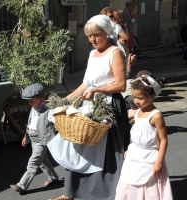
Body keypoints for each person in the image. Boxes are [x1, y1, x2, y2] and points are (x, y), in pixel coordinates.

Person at [48, 14, 130, 200]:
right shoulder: (92, 54)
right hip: (89, 106)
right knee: (78, 149)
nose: (93, 39)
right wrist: (66, 100)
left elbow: (121, 85)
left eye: (97, 34)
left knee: (108, 154)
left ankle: (110, 195)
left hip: (109, 108)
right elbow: (86, 84)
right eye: (89, 35)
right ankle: (72, 193)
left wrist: (97, 89)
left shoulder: (115, 52)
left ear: (106, 32)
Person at [115, 71, 173, 200]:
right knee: (128, 184)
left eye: (140, 98)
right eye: (134, 97)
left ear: (152, 96)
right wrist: (129, 149)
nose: (136, 101)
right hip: (133, 157)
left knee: (148, 188)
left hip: (150, 159)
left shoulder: (155, 116)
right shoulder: (137, 112)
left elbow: (163, 140)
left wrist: (158, 161)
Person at [10, 83, 59, 194]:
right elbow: (30, 124)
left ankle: (21, 185)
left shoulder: (48, 111)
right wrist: (26, 137)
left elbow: (57, 121)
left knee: (33, 163)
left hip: (42, 141)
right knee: (43, 161)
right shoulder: (33, 108)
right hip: (33, 139)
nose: (29, 103)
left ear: (41, 99)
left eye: (31, 100)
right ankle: (53, 178)